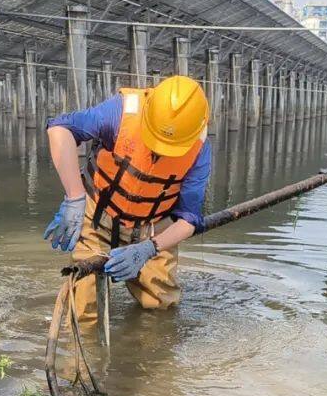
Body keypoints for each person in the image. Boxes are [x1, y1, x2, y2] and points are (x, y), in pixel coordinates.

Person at [43, 75, 212, 329]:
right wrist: (74, 197)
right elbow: (60, 129)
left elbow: (188, 219)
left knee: (161, 308)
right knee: (83, 311)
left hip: (154, 227)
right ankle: (82, 359)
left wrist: (149, 248)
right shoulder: (121, 111)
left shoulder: (199, 150)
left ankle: (153, 362)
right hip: (98, 215)